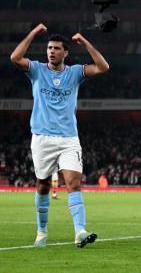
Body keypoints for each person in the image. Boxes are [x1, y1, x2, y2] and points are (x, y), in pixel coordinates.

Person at [10, 23, 109, 248]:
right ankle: (41, 233)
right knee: (43, 185)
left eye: (56, 48)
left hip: (68, 138)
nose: (51, 51)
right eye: (49, 48)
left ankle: (80, 232)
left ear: (66, 52)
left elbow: (103, 67)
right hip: (42, 137)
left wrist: (85, 42)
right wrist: (34, 33)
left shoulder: (75, 72)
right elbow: (15, 58)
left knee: (74, 183)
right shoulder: (36, 70)